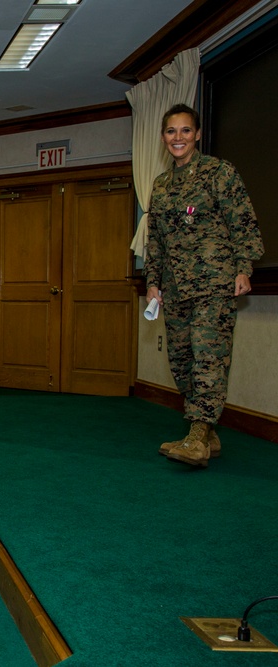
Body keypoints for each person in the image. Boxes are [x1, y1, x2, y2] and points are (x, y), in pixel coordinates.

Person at [146, 103, 264, 468]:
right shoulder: (162, 185)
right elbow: (156, 240)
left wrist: (243, 268)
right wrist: (153, 283)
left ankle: (197, 437)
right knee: (182, 361)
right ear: (164, 137)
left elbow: (244, 224)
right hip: (176, 289)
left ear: (197, 134)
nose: (177, 138)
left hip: (214, 285)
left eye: (184, 131)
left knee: (208, 359)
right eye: (171, 132)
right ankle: (207, 435)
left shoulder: (219, 173)